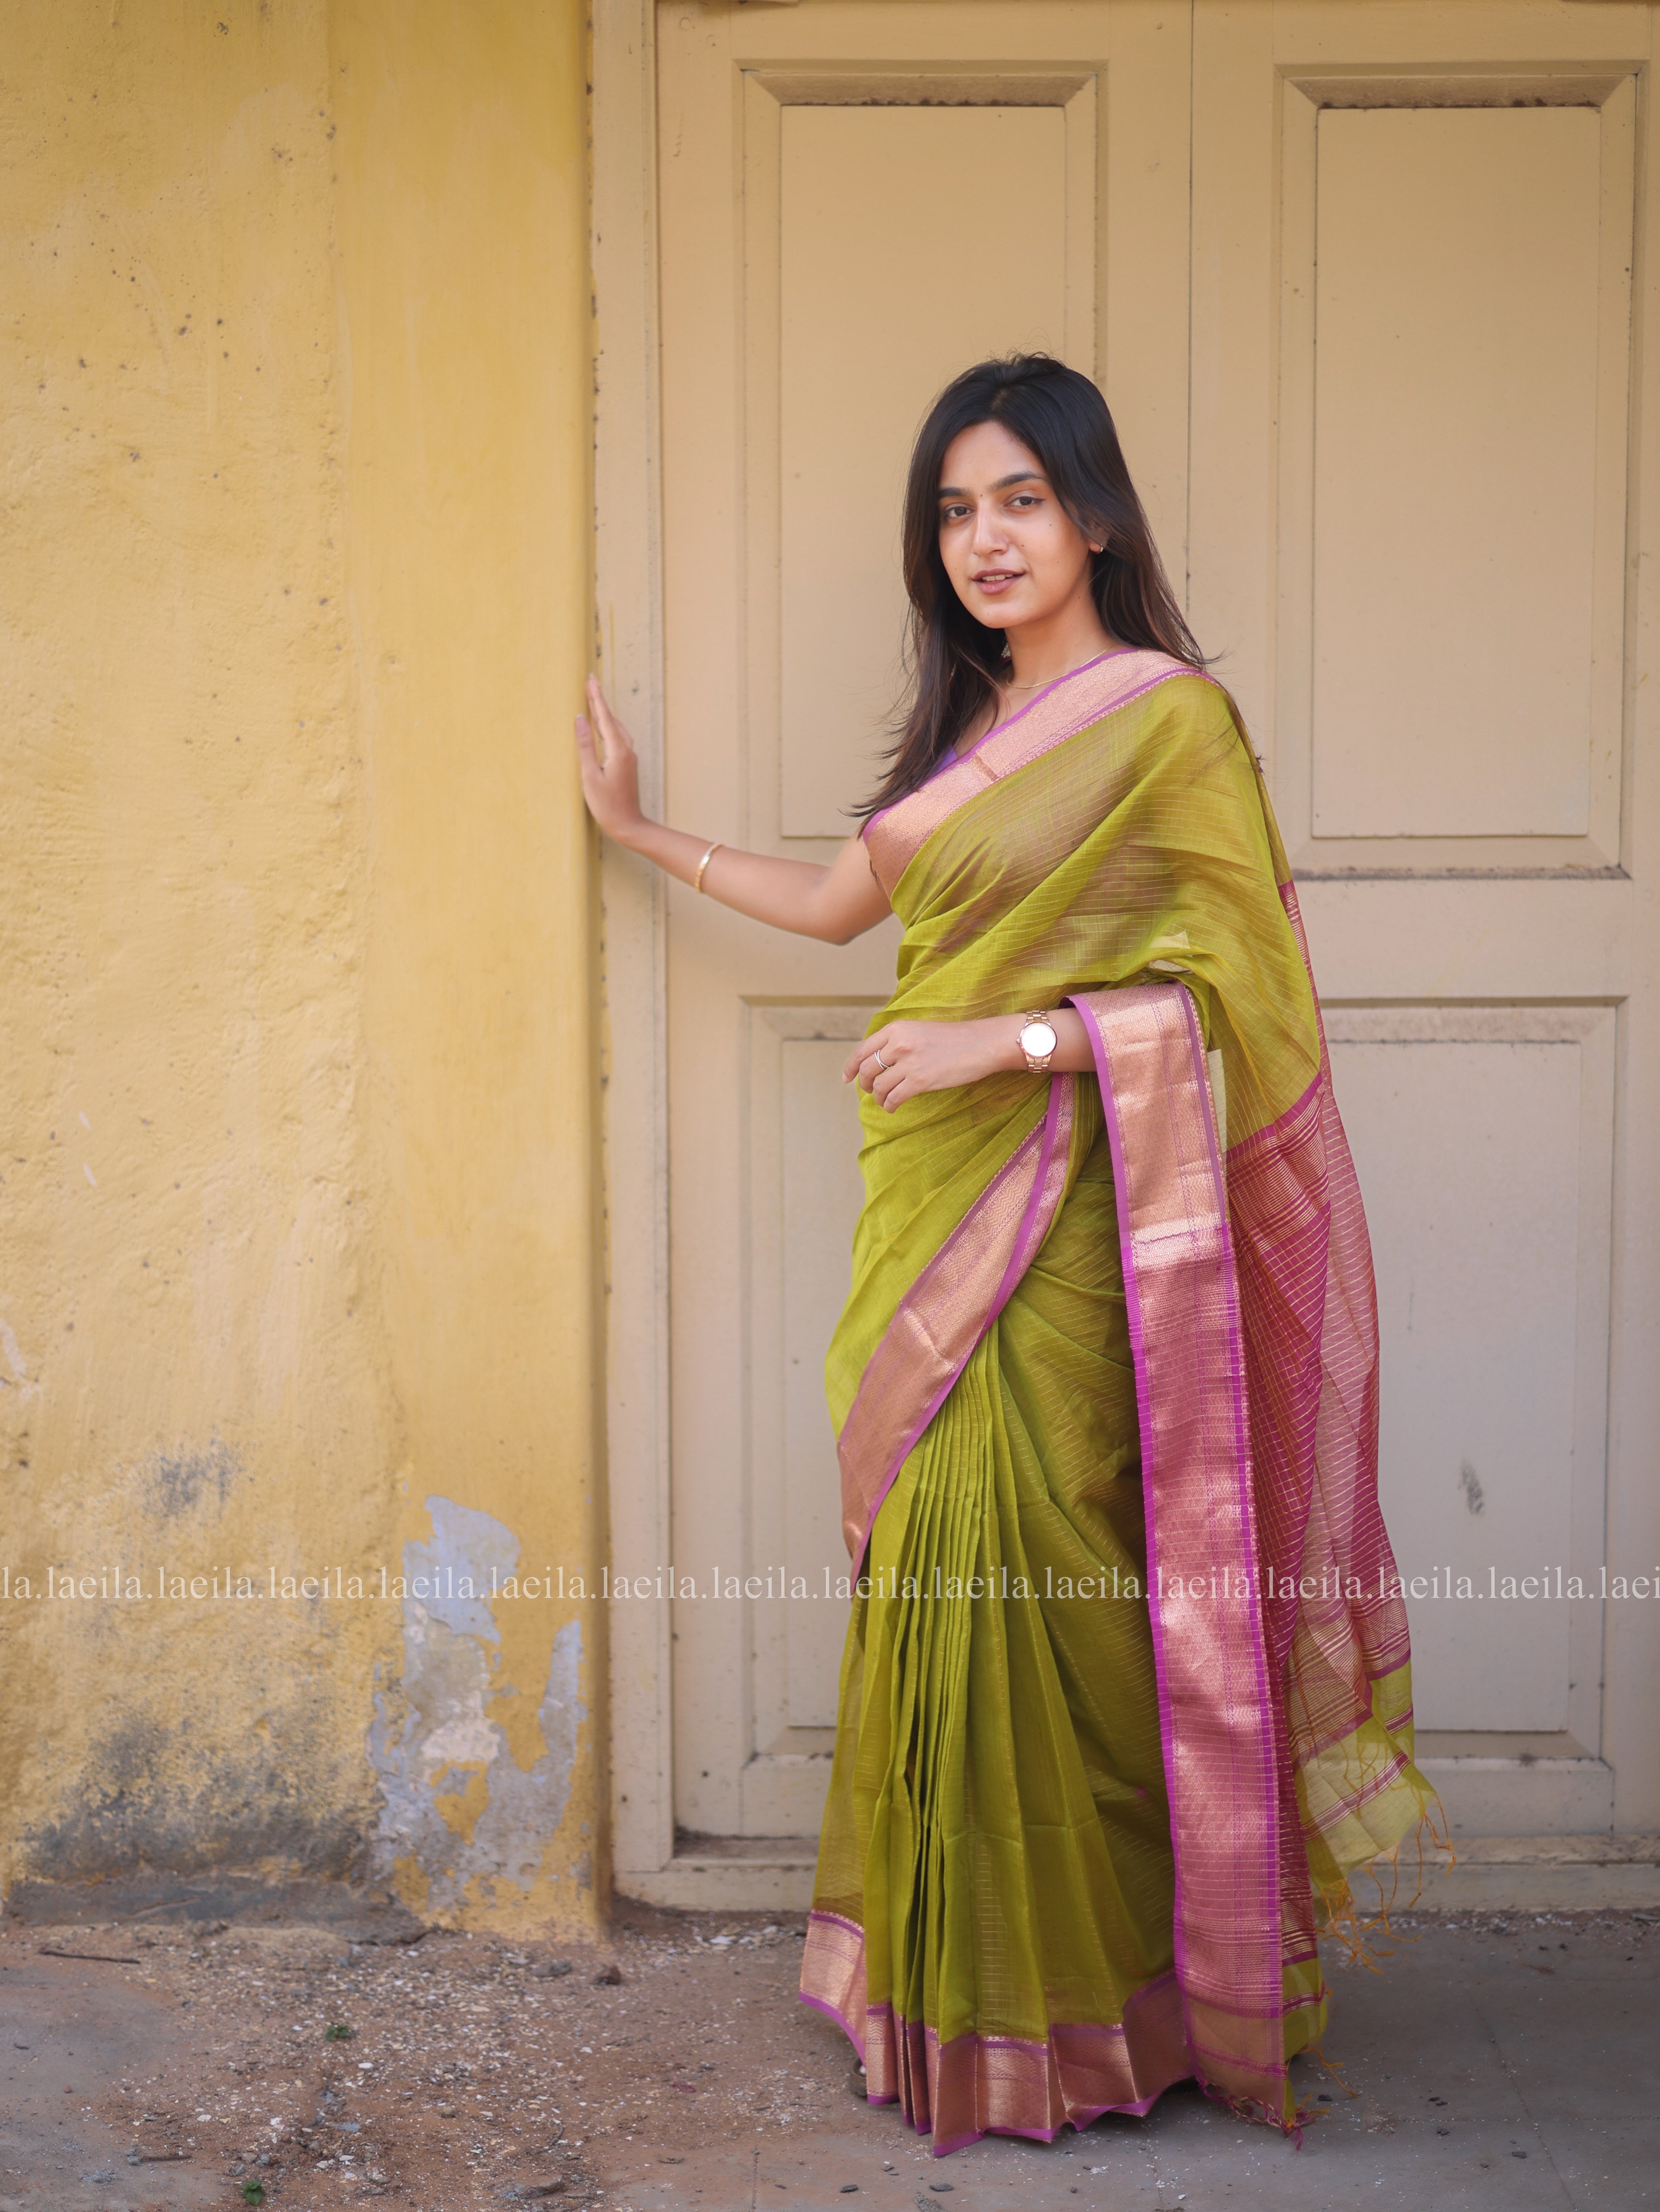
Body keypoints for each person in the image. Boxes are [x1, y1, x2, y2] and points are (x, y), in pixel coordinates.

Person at [576, 354, 1433, 2156]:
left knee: (1039, 1582)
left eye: (1020, 500)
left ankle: (1105, 2005)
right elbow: (835, 906)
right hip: (927, 1207)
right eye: (957, 509)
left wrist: (1016, 1040)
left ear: (1096, 515)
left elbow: (1239, 1009)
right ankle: (956, 2003)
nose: (984, 537)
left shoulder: (1171, 723)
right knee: (936, 1584)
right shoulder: (970, 736)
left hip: (1068, 1234)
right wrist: (635, 827)